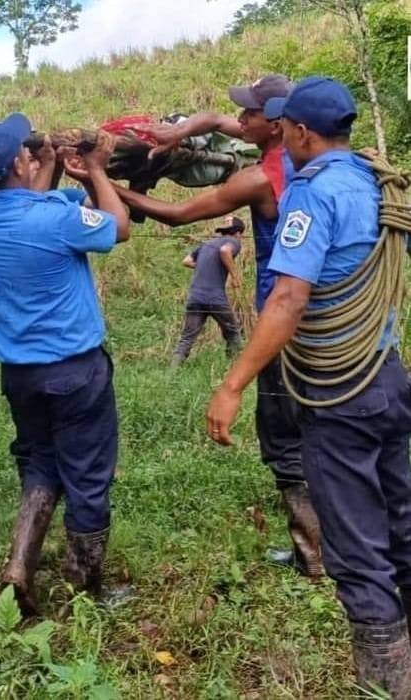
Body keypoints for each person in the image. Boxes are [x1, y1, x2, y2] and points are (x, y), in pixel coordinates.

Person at [207, 76, 411, 697]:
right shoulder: (378, 180)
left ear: (298, 131)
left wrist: (234, 383)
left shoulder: (310, 193)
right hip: (388, 376)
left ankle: (388, 685)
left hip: (338, 391)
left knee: (355, 548)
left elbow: (290, 297)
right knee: (403, 521)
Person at [112, 74, 323, 578]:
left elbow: (179, 214)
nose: (240, 120)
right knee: (326, 430)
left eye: (250, 114)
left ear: (278, 126)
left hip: (285, 322)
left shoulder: (263, 178)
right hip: (332, 319)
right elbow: (218, 121)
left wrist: (104, 184)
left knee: (284, 438)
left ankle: (314, 553)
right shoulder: (319, 152)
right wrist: (182, 131)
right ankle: (338, 539)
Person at [0, 113, 130, 616]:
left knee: (40, 462)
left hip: (21, 374)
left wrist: (49, 164)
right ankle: (86, 586)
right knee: (88, 474)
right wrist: (96, 169)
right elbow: (117, 228)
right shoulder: (52, 220)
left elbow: (29, 200)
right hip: (76, 372)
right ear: (18, 161)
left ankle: (19, 566)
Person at [172, 215, 244, 365]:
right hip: (215, 298)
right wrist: (235, 276)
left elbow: (187, 261)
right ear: (238, 233)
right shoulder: (233, 242)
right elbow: (225, 251)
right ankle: (233, 366)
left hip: (195, 297)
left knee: (187, 337)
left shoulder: (207, 244)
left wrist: (208, 265)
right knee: (232, 333)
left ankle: (172, 372)